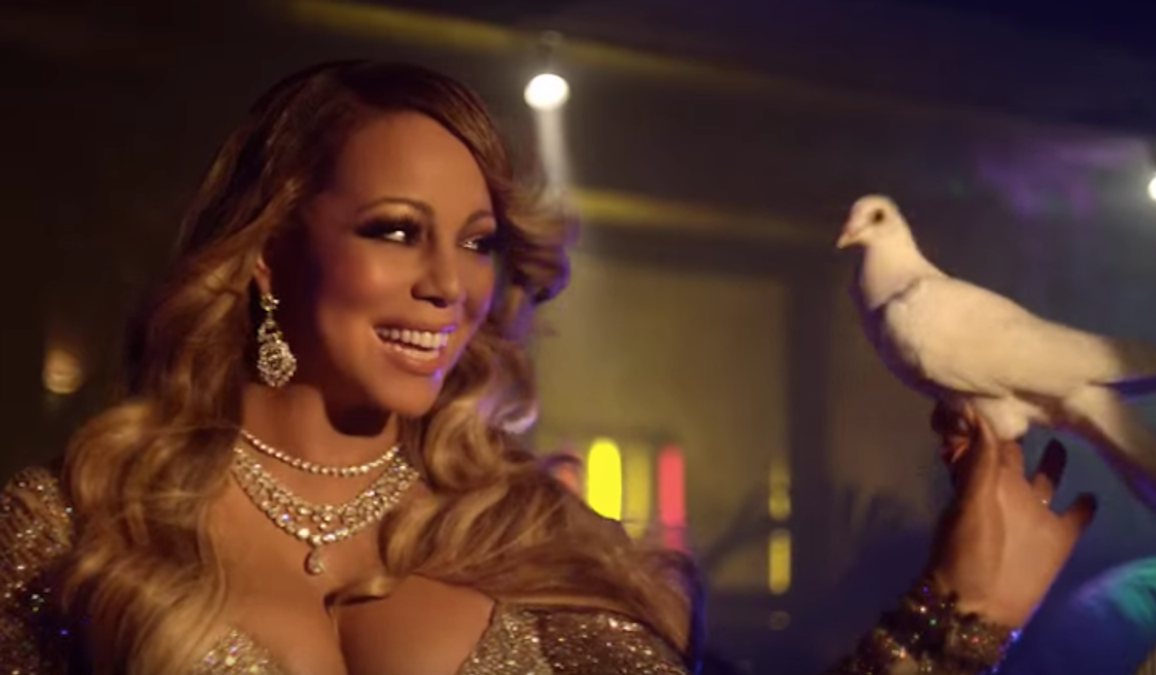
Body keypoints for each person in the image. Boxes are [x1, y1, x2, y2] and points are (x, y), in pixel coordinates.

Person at [0, 60, 1097, 675]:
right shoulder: (70, 533)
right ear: (267, 257)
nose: (450, 283)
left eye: (478, 242)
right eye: (395, 230)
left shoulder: (545, 543)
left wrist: (954, 615)